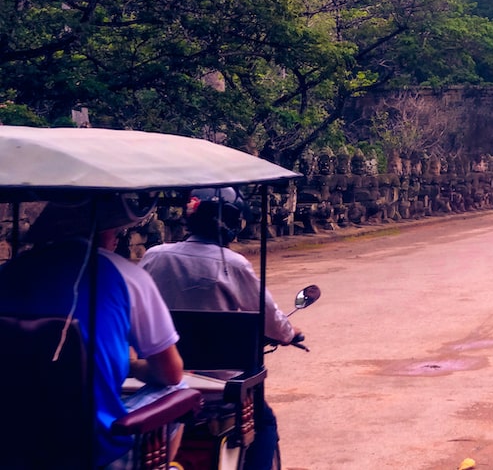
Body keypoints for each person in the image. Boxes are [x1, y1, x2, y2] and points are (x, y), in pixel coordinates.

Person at [0, 193, 186, 469]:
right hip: (93, 450)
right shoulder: (128, 276)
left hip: (11, 443)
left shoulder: (8, 273)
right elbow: (170, 373)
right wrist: (133, 366)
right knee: (179, 388)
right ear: (106, 232)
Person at [140, 186, 300, 470]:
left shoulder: (154, 256)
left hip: (159, 378)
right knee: (264, 424)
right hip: (220, 388)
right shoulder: (234, 264)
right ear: (234, 224)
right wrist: (289, 335)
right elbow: (271, 319)